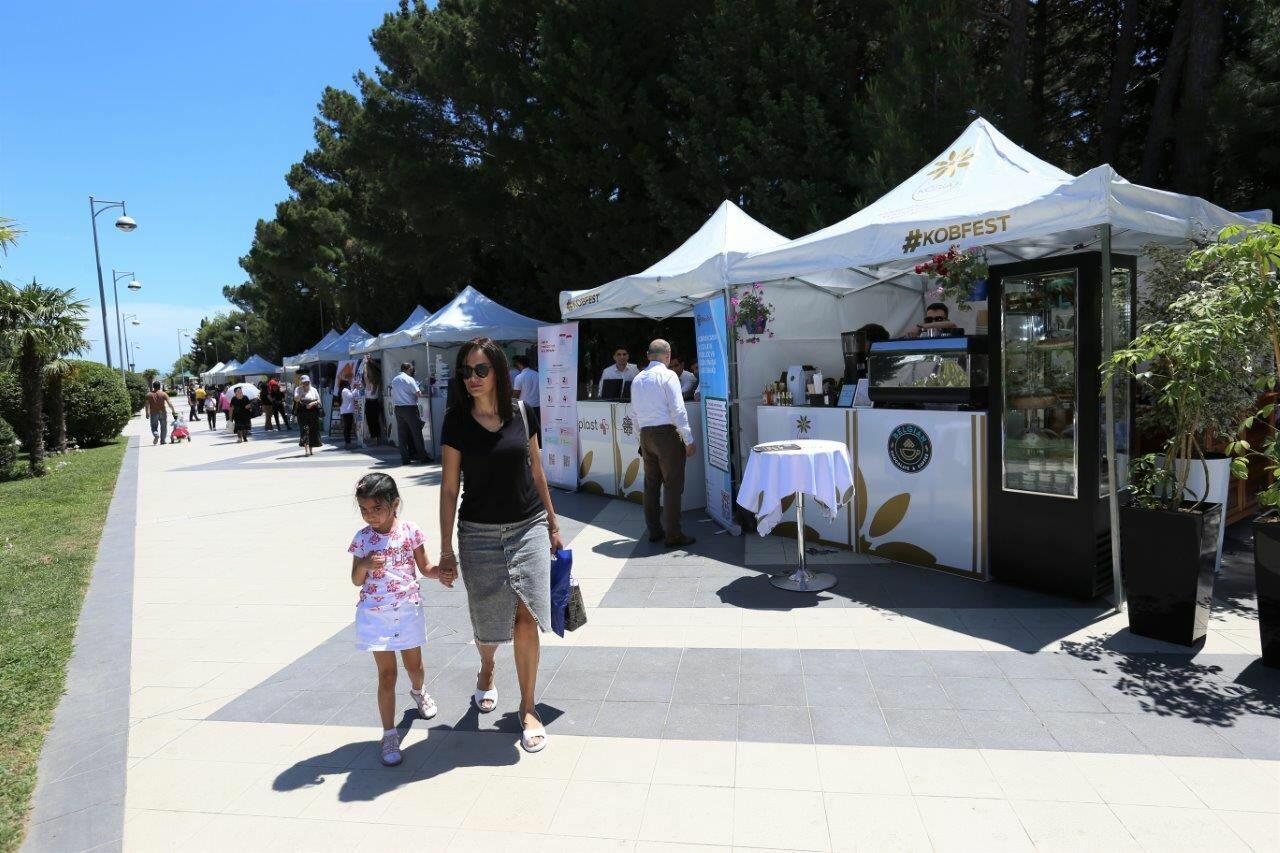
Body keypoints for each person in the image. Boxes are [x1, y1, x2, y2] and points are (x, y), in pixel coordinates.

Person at [438, 337, 562, 754]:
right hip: (478, 534)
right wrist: (446, 549)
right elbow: (449, 487)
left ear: (498, 371)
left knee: (526, 615)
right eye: (466, 372)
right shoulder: (456, 421)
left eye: (481, 370)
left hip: (528, 526)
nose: (472, 378)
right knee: (489, 622)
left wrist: (552, 522)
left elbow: (537, 472)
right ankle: (487, 667)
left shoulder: (522, 413)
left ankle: (528, 706)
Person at [348, 473, 449, 766]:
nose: (370, 516)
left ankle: (418, 692)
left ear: (395, 504)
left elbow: (425, 567)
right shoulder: (362, 539)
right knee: (387, 674)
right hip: (375, 615)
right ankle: (389, 734)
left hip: (407, 610)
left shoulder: (410, 531)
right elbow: (355, 579)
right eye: (364, 510)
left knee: (414, 667)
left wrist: (441, 573)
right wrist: (365, 565)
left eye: (376, 508)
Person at [631, 339, 698, 548]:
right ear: (667, 355)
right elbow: (678, 410)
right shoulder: (668, 375)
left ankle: (654, 530)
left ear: (648, 355)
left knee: (651, 485)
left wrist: (640, 438)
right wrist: (689, 439)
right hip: (667, 435)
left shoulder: (637, 379)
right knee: (672, 485)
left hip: (646, 434)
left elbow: (634, 414)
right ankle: (673, 534)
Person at [391, 361, 431, 465]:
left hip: (398, 409)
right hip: (409, 408)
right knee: (416, 433)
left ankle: (405, 459)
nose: (412, 371)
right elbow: (418, 394)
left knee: (402, 435)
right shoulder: (409, 379)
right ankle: (423, 457)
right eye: (412, 369)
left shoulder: (395, 379)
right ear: (408, 369)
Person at [295, 375, 323, 456]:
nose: (306, 384)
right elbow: (296, 399)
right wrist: (301, 391)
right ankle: (306, 450)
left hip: (313, 412)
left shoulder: (313, 389)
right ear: (301, 383)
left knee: (313, 430)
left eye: (307, 382)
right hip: (302, 412)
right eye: (303, 382)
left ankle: (311, 449)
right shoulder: (298, 389)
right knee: (304, 430)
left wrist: (312, 403)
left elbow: (319, 400)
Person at [145, 381, 178, 446]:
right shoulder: (163, 394)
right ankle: (162, 441)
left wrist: (147, 413)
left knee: (154, 426)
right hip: (163, 412)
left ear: (153, 386)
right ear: (159, 386)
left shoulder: (149, 395)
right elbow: (169, 403)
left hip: (153, 413)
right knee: (163, 427)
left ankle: (156, 435)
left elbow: (147, 405)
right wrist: (173, 411)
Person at [363, 363, 382, 444]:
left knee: (370, 421)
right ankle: (377, 437)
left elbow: (365, 376)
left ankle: (374, 438)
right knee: (376, 421)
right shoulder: (377, 381)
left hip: (369, 403)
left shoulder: (369, 383)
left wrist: (365, 365)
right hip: (376, 402)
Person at [339, 378, 357, 448]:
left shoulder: (344, 390)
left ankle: (348, 443)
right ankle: (348, 443)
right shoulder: (345, 390)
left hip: (346, 411)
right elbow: (351, 396)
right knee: (347, 428)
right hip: (347, 411)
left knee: (347, 428)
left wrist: (353, 389)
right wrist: (356, 389)